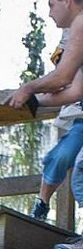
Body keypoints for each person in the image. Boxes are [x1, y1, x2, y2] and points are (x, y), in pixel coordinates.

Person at [5, 0, 83, 244]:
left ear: (68, 0)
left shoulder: (81, 23)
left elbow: (63, 77)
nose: (49, 13)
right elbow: (75, 90)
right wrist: (35, 99)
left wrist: (27, 88)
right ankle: (42, 203)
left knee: (82, 171)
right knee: (66, 160)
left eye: (52, 5)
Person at [29, 28, 83, 221]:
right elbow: (63, 80)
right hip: (79, 117)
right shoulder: (71, 37)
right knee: (61, 156)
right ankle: (42, 203)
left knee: (81, 167)